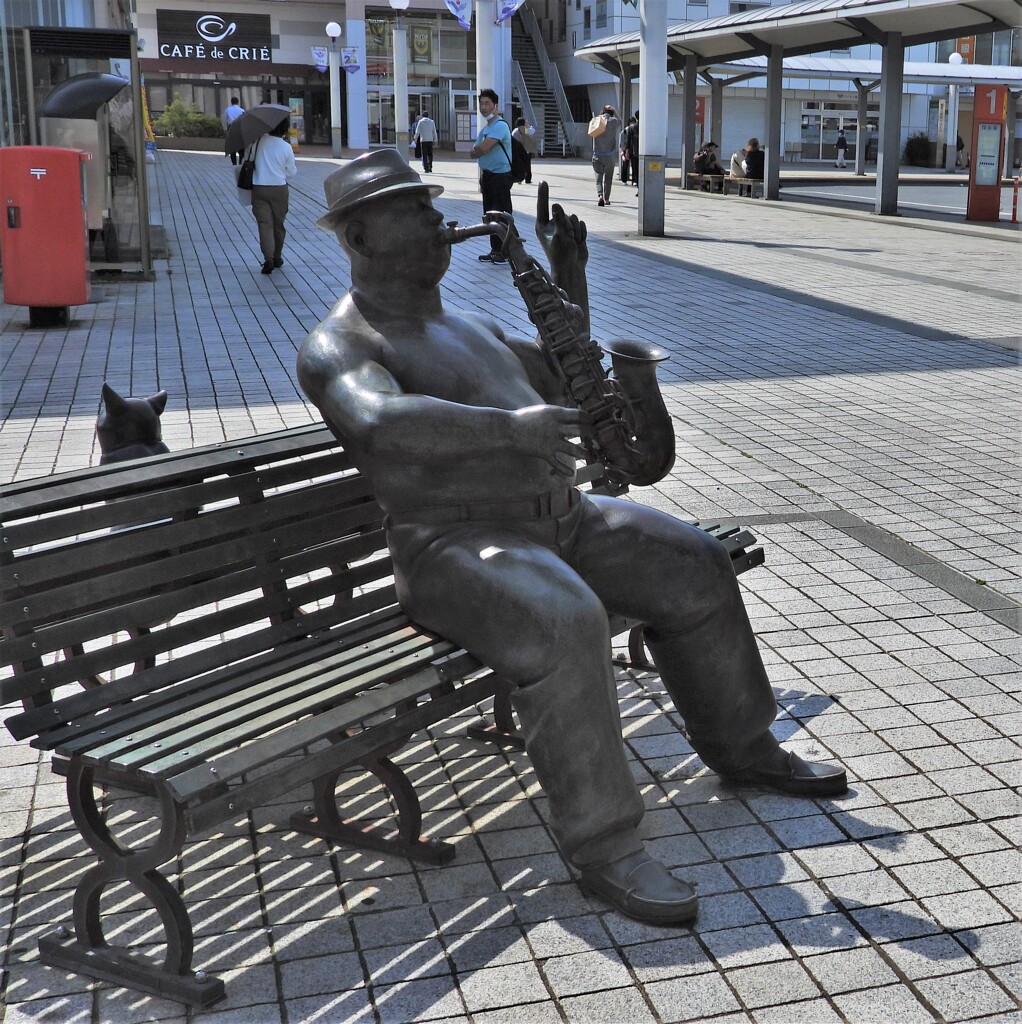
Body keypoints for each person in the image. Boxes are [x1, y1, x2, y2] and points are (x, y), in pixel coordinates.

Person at [297, 150, 848, 928]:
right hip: (452, 550)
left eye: (429, 204)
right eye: (413, 209)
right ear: (359, 234)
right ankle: (606, 846)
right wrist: (510, 431)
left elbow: (559, 377)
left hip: (560, 519)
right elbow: (378, 421)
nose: (435, 218)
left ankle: (746, 747)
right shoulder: (342, 343)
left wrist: (569, 278)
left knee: (692, 561)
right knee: (568, 619)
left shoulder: (469, 323)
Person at [470, 88, 513, 264]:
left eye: (487, 103)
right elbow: (474, 152)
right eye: (481, 103)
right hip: (488, 176)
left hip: (500, 177)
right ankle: (495, 249)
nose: (483, 107)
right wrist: (479, 150)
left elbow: (483, 148)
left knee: (501, 214)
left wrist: (479, 149)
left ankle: (507, 251)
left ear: (495, 106)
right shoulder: (486, 128)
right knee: (489, 215)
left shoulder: (500, 125)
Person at [250, 117, 297, 275]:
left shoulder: (257, 142)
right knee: (278, 224)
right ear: (284, 129)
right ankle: (277, 257)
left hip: (259, 188)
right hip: (279, 189)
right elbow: (291, 172)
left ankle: (268, 258)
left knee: (264, 224)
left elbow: (248, 161)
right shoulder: (286, 147)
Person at [591, 104, 622, 206]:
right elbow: (620, 121)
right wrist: (613, 109)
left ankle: (600, 195)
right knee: (608, 178)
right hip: (609, 155)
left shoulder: (596, 120)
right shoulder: (613, 121)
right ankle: (607, 199)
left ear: (602, 112)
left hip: (597, 154)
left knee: (598, 177)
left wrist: (602, 111)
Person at [512, 117, 538, 184]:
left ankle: (519, 178)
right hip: (526, 150)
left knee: (518, 164)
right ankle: (527, 179)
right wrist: (528, 125)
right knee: (527, 165)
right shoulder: (525, 130)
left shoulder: (515, 130)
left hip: (517, 150)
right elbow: (532, 131)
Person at [620, 114, 639, 187]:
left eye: (633, 122)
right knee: (625, 165)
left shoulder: (635, 128)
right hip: (626, 149)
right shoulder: (625, 130)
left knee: (634, 166)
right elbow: (622, 141)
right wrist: (622, 150)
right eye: (631, 122)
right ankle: (624, 179)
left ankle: (634, 180)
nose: (632, 124)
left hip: (633, 149)